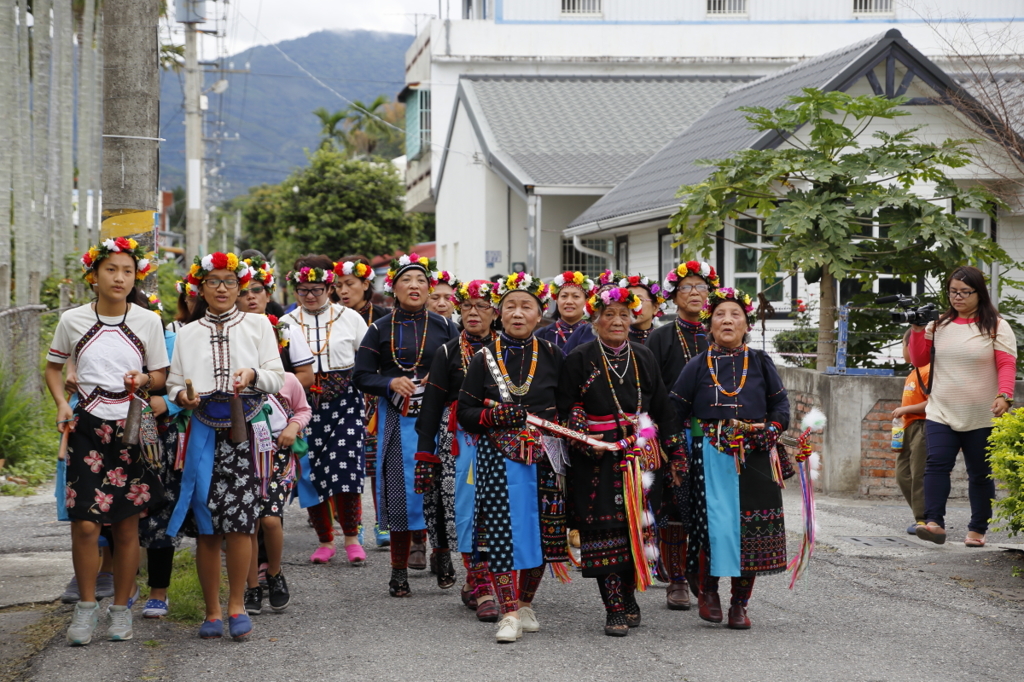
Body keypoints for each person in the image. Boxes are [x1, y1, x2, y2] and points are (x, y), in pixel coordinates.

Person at [46, 238, 168, 646]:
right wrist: (63, 402)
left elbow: (161, 378)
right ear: (93, 276)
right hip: (87, 427)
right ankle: (85, 610)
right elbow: (53, 367)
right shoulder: (73, 319)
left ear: (137, 277)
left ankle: (120, 611)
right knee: (84, 522)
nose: (119, 277)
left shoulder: (148, 321)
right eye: (111, 269)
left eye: (128, 271)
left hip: (132, 429)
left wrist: (143, 381)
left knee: (127, 525)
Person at [168, 252, 285, 641]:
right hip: (202, 429)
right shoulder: (187, 332)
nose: (222, 288)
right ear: (201, 287)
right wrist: (180, 397)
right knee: (206, 527)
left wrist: (253, 374)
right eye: (214, 281)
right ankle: (212, 611)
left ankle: (237, 604)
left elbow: (277, 377)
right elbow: (173, 383)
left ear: (240, 287)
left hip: (246, 429)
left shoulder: (257, 325)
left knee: (240, 522)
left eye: (229, 282)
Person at [557, 286, 686, 636]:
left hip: (638, 458)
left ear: (632, 319)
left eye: (623, 315)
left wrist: (675, 454)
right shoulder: (579, 358)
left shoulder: (644, 356)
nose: (617, 321)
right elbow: (564, 408)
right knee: (603, 533)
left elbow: (662, 408)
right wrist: (584, 437)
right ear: (594, 319)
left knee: (636, 531)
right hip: (595, 459)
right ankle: (613, 606)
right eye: (609, 314)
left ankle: (629, 597)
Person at [457, 272, 569, 644]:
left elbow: (567, 407)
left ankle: (525, 603)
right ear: (498, 314)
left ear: (541, 313)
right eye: (510, 307)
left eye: (527, 307)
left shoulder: (554, 355)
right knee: (501, 533)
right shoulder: (482, 357)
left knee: (543, 531)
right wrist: (495, 417)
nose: (518, 314)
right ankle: (507, 611)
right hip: (496, 457)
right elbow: (465, 412)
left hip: (545, 455)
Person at [671, 287, 790, 630]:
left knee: (751, 530)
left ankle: (740, 604)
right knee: (715, 529)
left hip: (755, 455)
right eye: (720, 314)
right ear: (710, 324)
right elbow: (674, 409)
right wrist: (678, 454)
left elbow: (781, 406)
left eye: (735, 315)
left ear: (746, 323)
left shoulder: (761, 362)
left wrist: (772, 429)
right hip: (710, 455)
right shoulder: (697, 365)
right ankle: (709, 592)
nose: (727, 320)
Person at [353, 253, 457, 597]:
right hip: (397, 419)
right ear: (393, 287)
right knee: (399, 492)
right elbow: (361, 375)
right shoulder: (378, 328)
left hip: (438, 419)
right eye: (406, 281)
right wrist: (389, 383)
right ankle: (398, 571)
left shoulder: (445, 326)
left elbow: (462, 369)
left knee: (441, 489)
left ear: (430, 289)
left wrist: (440, 380)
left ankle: (442, 557)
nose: (414, 287)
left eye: (421, 282)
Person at [909, 265, 1017, 547]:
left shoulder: (996, 326)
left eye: (965, 292)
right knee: (936, 464)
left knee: (980, 473)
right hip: (941, 410)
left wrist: (1004, 395)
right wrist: (918, 330)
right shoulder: (939, 325)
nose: (957, 297)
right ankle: (933, 523)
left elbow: (1006, 363)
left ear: (979, 293)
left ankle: (977, 530)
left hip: (982, 413)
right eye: (953, 292)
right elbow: (919, 360)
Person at [414, 279, 500, 621]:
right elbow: (431, 407)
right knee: (462, 512)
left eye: (481, 306)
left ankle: (489, 581)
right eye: (467, 307)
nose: (473, 313)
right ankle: (479, 584)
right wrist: (425, 455)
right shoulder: (447, 352)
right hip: (457, 444)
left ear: (495, 312)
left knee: (496, 510)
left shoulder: (507, 348)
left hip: (500, 438)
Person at [280, 255, 368, 567]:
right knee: (310, 471)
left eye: (316, 289)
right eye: (303, 290)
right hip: (304, 403)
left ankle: (352, 538)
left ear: (329, 286)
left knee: (346, 469)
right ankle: (325, 540)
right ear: (295, 290)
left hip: (345, 400)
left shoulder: (351, 318)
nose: (310, 296)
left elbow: (367, 360)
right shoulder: (286, 324)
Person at [236, 258, 313, 615]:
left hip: (279, 457)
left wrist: (294, 427)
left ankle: (276, 574)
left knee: (270, 518)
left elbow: (303, 408)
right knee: (247, 521)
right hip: (242, 451)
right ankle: (251, 586)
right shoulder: (234, 380)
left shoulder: (287, 380)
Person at [646, 260, 716, 611]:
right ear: (674, 296)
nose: (694, 293)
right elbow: (651, 389)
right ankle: (675, 579)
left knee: (710, 507)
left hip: (716, 436)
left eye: (701, 288)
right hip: (675, 434)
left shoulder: (719, 330)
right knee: (675, 507)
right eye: (686, 288)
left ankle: (702, 575)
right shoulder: (661, 336)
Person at [333, 255, 391, 548]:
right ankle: (351, 524)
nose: (343, 291)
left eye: (350, 284)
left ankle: (384, 521)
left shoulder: (383, 317)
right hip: (341, 397)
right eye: (339, 285)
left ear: (366, 283)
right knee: (346, 462)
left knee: (378, 461)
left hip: (374, 397)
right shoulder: (330, 316)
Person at [562, 271, 667, 352]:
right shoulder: (602, 333)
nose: (636, 306)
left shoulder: (663, 337)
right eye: (632, 300)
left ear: (655, 307)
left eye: (639, 300)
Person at [893, 328, 930, 535]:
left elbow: (932, 402)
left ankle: (923, 519)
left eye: (903, 345)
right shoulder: (913, 373)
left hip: (922, 427)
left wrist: (905, 410)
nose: (903, 350)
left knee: (919, 474)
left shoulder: (927, 370)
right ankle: (921, 514)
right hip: (907, 428)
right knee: (903, 474)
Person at [536, 271, 595, 352]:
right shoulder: (542, 335)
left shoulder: (595, 333)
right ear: (556, 300)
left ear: (586, 300)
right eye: (564, 296)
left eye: (576, 296)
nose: (569, 301)